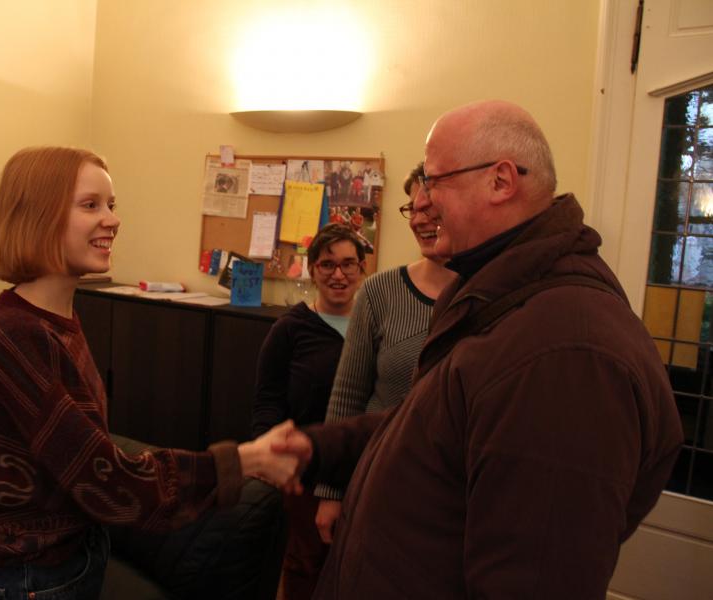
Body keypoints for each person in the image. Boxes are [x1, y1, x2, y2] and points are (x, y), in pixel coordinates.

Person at [273, 101, 683, 599]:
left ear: (501, 181)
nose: (421, 202)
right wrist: (321, 449)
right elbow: (437, 427)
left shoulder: (567, 355)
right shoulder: (499, 297)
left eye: (434, 180)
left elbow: (532, 579)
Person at [0, 147, 297, 599]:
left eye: (111, 205)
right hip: (29, 582)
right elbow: (108, 480)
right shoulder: (16, 334)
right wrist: (244, 460)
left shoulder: (53, 320)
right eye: (90, 205)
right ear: (39, 215)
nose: (112, 220)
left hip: (65, 566)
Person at [313, 166, 456, 544]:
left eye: (432, 208)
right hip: (376, 482)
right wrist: (331, 492)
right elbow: (346, 396)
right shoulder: (380, 291)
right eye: (413, 209)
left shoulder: (490, 294)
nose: (421, 220)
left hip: (451, 498)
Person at [251, 223, 366, 600]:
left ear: (363, 269)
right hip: (306, 474)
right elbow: (268, 401)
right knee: (305, 567)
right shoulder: (290, 330)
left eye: (349, 264)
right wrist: (271, 461)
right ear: (313, 270)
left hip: (364, 471)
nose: (339, 274)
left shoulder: (373, 324)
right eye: (327, 265)